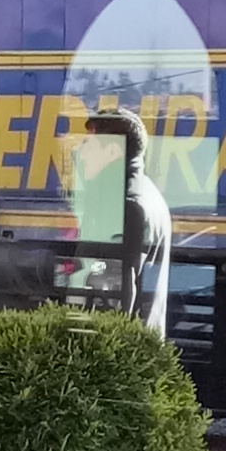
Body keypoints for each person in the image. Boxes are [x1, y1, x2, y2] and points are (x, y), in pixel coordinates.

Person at [83, 102, 173, 332]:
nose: (82, 154)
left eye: (89, 145)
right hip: (141, 343)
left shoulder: (123, 205)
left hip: (119, 347)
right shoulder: (148, 194)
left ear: (113, 151)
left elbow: (114, 296)